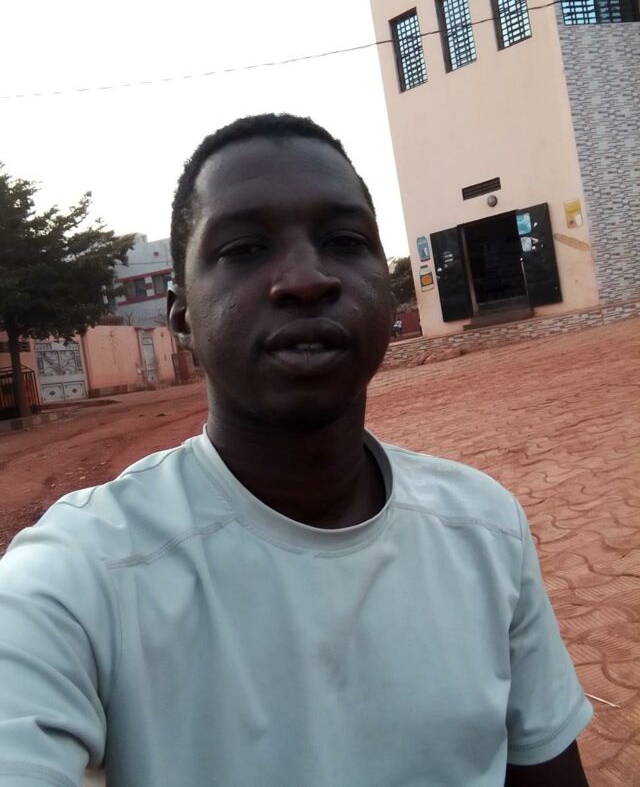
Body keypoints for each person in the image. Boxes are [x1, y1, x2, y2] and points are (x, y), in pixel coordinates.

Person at [0, 113, 591, 786]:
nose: (306, 279)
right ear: (180, 314)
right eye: (244, 249)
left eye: (344, 241)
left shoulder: (486, 528)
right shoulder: (80, 576)